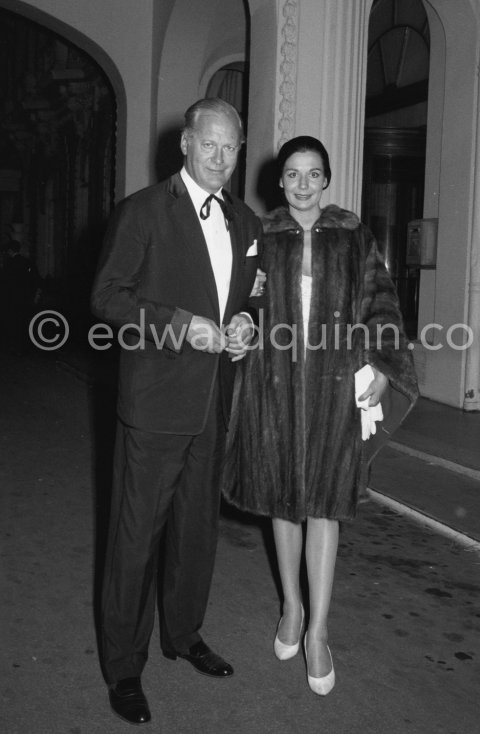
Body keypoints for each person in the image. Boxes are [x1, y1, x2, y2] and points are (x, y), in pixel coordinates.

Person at [222, 136, 418, 696]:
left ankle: (319, 632)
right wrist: (239, 324)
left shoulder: (353, 234)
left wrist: (381, 363)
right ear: (278, 182)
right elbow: (244, 301)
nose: (303, 184)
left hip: (335, 386)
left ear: (326, 180)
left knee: (326, 504)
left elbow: (380, 301)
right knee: (282, 502)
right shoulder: (263, 236)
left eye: (313, 174)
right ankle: (290, 608)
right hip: (274, 384)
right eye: (293, 174)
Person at [91, 98, 262, 725]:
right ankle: (123, 665)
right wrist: (176, 325)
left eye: (231, 148)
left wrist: (244, 322)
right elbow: (107, 296)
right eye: (210, 145)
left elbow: (247, 299)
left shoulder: (245, 222)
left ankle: (183, 634)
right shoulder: (142, 212)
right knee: (136, 538)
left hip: (214, 399)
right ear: (185, 144)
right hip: (157, 402)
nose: (221, 158)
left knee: (195, 530)